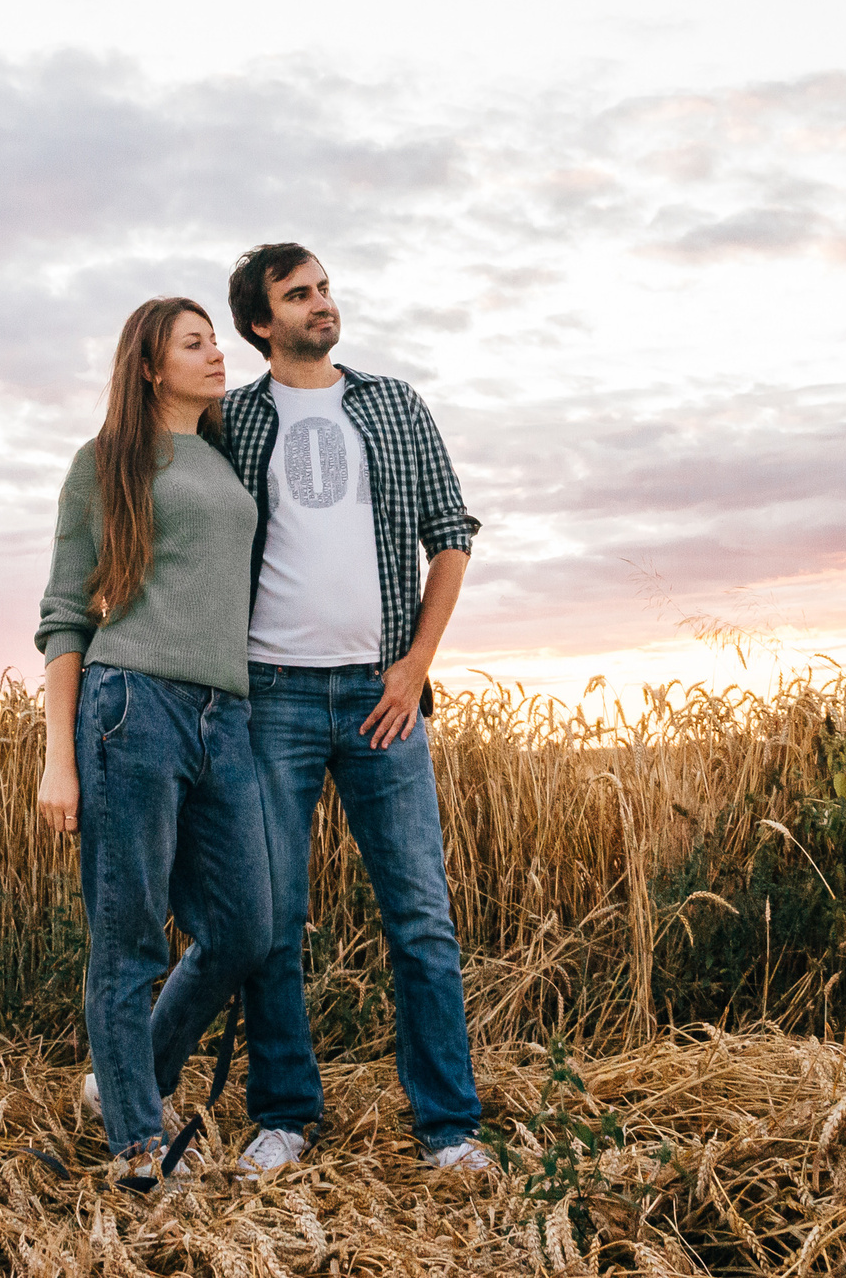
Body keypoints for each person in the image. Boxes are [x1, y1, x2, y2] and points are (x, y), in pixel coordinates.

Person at [217, 244, 489, 1176]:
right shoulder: (234, 422)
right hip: (273, 699)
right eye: (299, 294)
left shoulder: (394, 404)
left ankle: (450, 1126)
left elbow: (450, 535)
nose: (322, 303)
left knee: (420, 914)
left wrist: (414, 666)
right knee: (273, 918)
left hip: (384, 696)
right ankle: (285, 1113)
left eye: (324, 287)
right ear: (261, 323)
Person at [34, 297, 270, 1181]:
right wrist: (60, 758)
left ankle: (126, 1078)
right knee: (128, 938)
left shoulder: (224, 457)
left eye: (216, 341)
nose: (216, 355)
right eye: (195, 343)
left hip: (227, 714)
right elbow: (64, 614)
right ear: (148, 364)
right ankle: (137, 1142)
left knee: (245, 927)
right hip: (130, 706)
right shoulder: (103, 463)